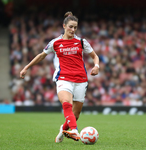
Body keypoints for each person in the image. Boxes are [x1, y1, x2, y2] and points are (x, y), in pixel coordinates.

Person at [20, 11, 99, 142]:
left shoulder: (81, 42)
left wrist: (96, 66)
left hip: (81, 80)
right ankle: (74, 130)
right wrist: (26, 67)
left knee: (75, 114)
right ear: (64, 26)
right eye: (70, 27)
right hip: (63, 78)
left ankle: (63, 130)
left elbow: (95, 56)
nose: (73, 30)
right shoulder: (55, 43)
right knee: (66, 103)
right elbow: (41, 55)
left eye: (75, 27)